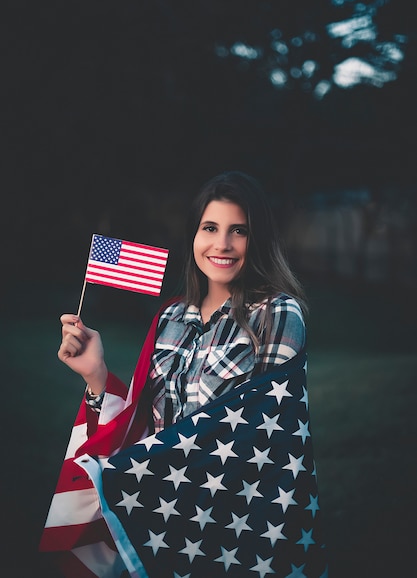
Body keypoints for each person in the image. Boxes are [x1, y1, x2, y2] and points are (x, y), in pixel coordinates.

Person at [41, 171, 328, 578]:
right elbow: (148, 429)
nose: (222, 244)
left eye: (239, 231)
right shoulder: (170, 318)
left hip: (236, 526)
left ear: (258, 239)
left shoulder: (277, 314)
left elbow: (268, 438)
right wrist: (97, 375)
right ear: (194, 234)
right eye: (210, 227)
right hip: (165, 524)